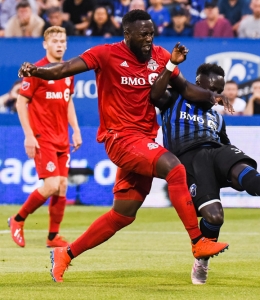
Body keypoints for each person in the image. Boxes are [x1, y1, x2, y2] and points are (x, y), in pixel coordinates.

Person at [18, 10, 230, 283]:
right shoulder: (106, 54)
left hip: (143, 141)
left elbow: (186, 88)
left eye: (151, 33)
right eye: (143, 34)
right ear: (127, 34)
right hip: (120, 138)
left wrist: (213, 97)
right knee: (175, 170)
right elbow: (64, 68)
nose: (149, 39)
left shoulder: (160, 56)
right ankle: (197, 241)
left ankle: (65, 255)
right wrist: (37, 71)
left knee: (122, 214)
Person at [150, 62, 260, 285]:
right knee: (215, 217)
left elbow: (226, 149)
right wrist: (171, 65)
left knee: (236, 163)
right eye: (210, 89)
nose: (214, 95)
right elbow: (154, 94)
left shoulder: (218, 118)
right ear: (198, 84)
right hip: (189, 158)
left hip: (215, 150)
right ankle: (202, 262)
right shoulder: (174, 98)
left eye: (218, 91)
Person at [8, 26, 82, 248]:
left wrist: (76, 129)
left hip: (62, 138)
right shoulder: (36, 70)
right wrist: (28, 136)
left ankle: (52, 237)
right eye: (55, 41)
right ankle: (18, 219)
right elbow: (22, 102)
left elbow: (68, 101)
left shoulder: (68, 72)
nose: (59, 45)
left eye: (62, 41)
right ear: (45, 44)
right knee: (50, 185)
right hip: (43, 137)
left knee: (61, 186)